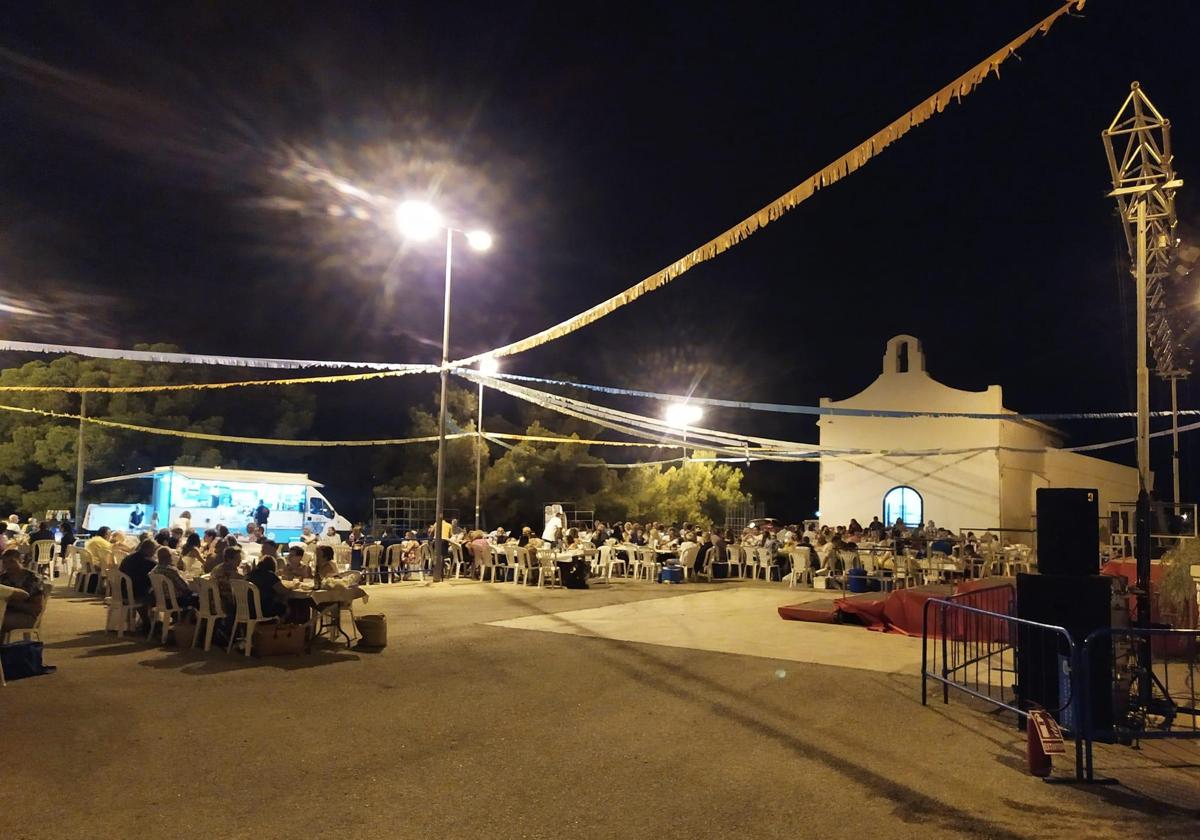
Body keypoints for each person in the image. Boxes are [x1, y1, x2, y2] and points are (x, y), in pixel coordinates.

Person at [0, 548, 45, 634]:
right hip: (6, 612)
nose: (8, 566)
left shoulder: (33, 579)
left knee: (1, 620)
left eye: (12, 562)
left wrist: (12, 603)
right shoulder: (3, 579)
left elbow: (36, 608)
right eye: (5, 563)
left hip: (28, 616)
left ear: (21, 561)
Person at [118, 540, 158, 624]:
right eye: (154, 550)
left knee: (144, 592)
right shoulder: (149, 563)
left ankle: (146, 622)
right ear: (148, 549)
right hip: (135, 594)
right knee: (160, 597)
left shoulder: (127, 558)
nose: (154, 553)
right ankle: (150, 623)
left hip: (121, 592)